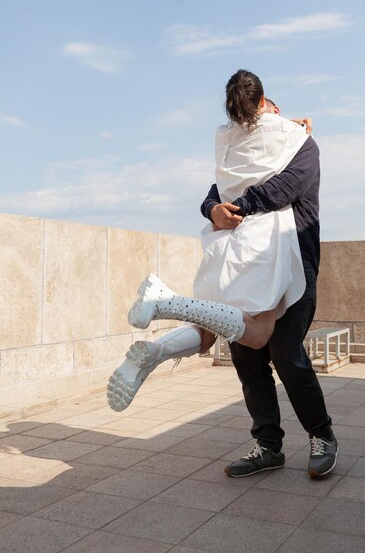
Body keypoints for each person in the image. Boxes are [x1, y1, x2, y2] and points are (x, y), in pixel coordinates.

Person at [108, 69, 337, 479]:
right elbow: (218, 191)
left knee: (286, 354)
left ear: (271, 107)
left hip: (295, 265)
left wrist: (241, 205)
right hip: (248, 264)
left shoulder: (302, 147)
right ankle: (268, 445)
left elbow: (284, 187)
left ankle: (322, 437)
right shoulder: (245, 152)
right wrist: (213, 209)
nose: (252, 128)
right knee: (246, 357)